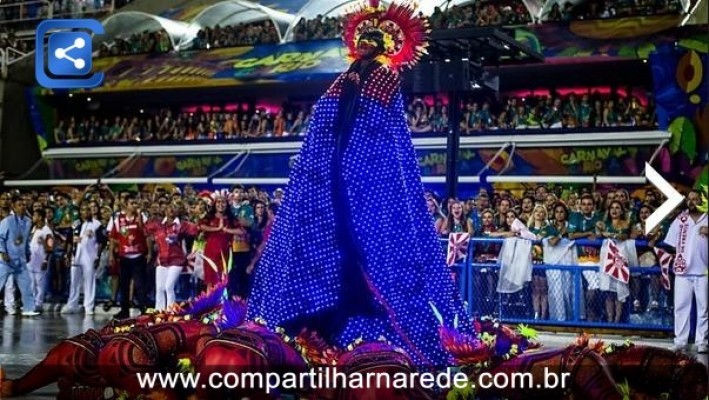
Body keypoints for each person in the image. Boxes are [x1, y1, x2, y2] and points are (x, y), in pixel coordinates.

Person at [247, 3, 466, 366]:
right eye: (361, 38)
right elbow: (325, 117)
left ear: (384, 46)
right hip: (329, 174)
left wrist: (351, 157)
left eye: (372, 39)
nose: (364, 43)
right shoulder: (346, 77)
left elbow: (377, 123)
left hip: (362, 175)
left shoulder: (383, 75)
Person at [665, 189, 707, 354]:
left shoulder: (708, 218)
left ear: (702, 201)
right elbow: (671, 243)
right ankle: (680, 341)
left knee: (704, 308)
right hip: (682, 270)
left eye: (696, 199)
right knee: (681, 307)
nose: (692, 201)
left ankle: (702, 341)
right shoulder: (680, 219)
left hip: (704, 270)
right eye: (689, 199)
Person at [0, 195, 39, 316]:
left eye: (24, 205)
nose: (22, 207)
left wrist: (28, 253)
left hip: (20, 259)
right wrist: (3, 252)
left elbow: (26, 240)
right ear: (14, 207)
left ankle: (29, 308)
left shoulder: (28, 222)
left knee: (26, 284)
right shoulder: (7, 221)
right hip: (7, 259)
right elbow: (0, 238)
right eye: (19, 205)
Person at [63, 204, 102, 314]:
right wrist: (68, 254)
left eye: (88, 209)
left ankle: (88, 306)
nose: (85, 212)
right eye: (83, 209)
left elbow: (101, 242)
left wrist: (97, 256)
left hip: (89, 256)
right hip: (76, 255)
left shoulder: (96, 224)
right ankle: (72, 304)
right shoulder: (76, 224)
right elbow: (70, 241)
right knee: (74, 281)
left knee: (89, 281)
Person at [27, 209, 54, 313]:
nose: (33, 218)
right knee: (31, 283)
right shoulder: (34, 228)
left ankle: (38, 304)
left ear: (40, 217)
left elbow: (50, 247)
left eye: (34, 216)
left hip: (41, 261)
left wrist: (45, 260)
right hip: (31, 260)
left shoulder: (47, 231)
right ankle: (31, 303)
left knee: (40, 283)